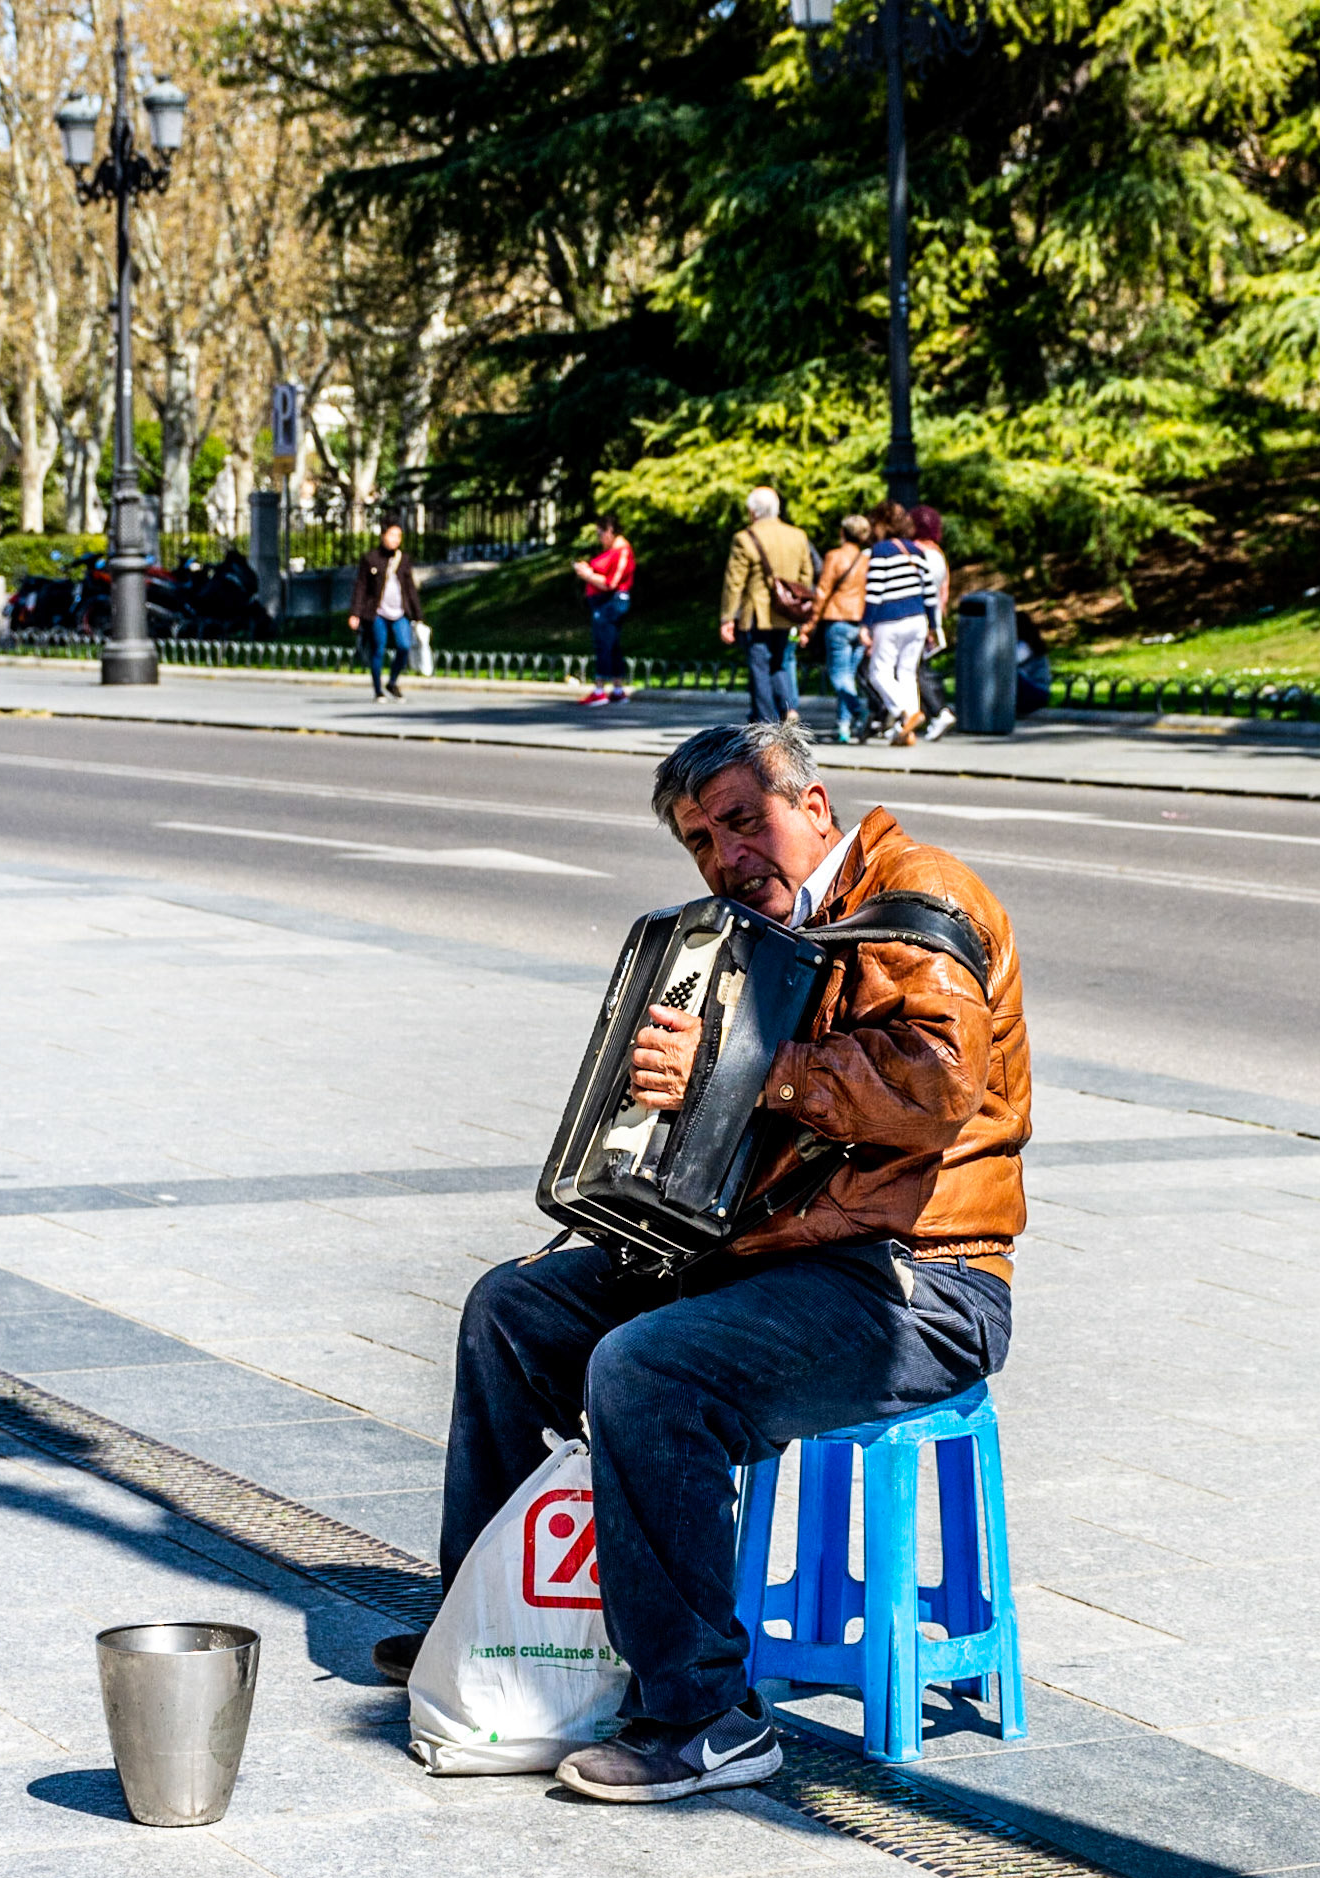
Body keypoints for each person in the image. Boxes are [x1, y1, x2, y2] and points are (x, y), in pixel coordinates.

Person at [374, 721, 1030, 1804]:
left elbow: (932, 1086)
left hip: (923, 1280)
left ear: (813, 803)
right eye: (700, 842)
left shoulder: (922, 894)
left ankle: (705, 1714)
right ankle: (487, 1635)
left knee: (650, 1367)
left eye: (742, 821)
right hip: (782, 1261)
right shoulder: (754, 937)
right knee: (513, 1309)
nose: (727, 857)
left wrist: (747, 1063)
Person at [719, 487, 814, 724]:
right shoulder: (797, 535)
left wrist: (727, 618)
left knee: (759, 667)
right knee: (780, 662)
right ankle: (787, 708)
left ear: (753, 511)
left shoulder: (745, 538)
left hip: (757, 614)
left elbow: (734, 583)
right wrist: (800, 611)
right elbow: (806, 576)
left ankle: (765, 722)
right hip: (787, 613)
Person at [863, 500, 934, 745]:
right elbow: (929, 592)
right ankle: (908, 732)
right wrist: (934, 625)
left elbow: (874, 591)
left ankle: (905, 714)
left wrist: (865, 625)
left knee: (878, 672)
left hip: (889, 618)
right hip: (918, 618)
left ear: (881, 524)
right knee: (907, 672)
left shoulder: (881, 550)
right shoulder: (916, 551)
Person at [802, 514, 871, 743]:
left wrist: (810, 624)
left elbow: (822, 592)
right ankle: (844, 727)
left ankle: (860, 712)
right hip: (861, 623)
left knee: (838, 676)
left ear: (843, 532)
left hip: (838, 620)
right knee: (849, 677)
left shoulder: (835, 556)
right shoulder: (867, 559)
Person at [348, 517, 421, 701]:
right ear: (383, 536)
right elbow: (361, 586)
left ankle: (393, 681)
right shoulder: (370, 559)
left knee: (404, 646)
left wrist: (418, 615)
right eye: (392, 535)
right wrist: (355, 613)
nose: (396, 539)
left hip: (399, 612)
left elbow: (410, 588)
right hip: (377, 612)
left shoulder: (403, 559)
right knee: (378, 649)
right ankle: (378, 690)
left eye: (399, 536)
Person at [572, 515, 635, 706]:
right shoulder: (612, 551)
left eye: (601, 534)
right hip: (605, 603)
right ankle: (617, 688)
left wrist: (588, 575)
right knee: (612, 643)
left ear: (610, 530)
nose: (600, 538)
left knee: (603, 643)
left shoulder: (622, 551)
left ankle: (600, 688)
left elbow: (612, 582)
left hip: (611, 603)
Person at [908, 504, 956, 742]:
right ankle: (926, 715)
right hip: (933, 618)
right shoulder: (938, 553)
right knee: (919, 666)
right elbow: (943, 591)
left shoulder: (915, 551)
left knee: (915, 668)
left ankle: (939, 711)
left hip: (918, 616)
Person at [1015, 614, 1053, 717]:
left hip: (1036, 692)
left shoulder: (1025, 646)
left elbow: (1009, 663)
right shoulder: (1028, 643)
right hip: (1038, 692)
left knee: (1012, 675)